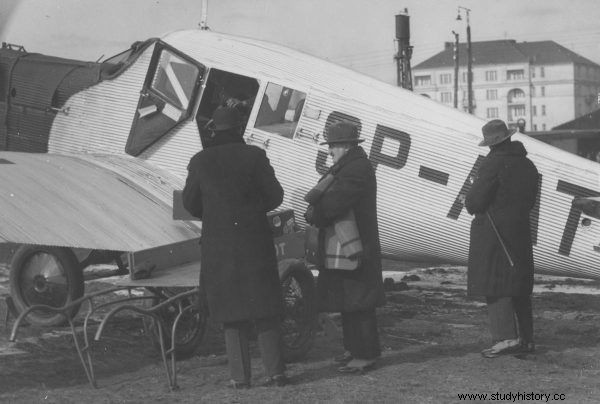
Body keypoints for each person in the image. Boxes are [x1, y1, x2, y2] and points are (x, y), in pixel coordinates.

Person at [182, 106, 288, 388]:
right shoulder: (255, 156)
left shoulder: (201, 161)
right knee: (264, 306)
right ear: (239, 129)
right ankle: (276, 373)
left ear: (214, 130)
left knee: (230, 311)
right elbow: (276, 196)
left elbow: (189, 204)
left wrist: (217, 213)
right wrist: (251, 211)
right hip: (255, 242)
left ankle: (240, 378)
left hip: (220, 245)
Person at [304, 121, 385, 373]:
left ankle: (365, 354)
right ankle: (354, 349)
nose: (330, 151)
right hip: (352, 244)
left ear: (347, 146)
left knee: (359, 302)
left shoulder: (355, 170)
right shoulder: (350, 166)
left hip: (357, 246)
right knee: (350, 301)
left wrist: (316, 212)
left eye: (334, 146)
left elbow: (333, 204)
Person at [463, 119, 539, 358]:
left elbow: (475, 202)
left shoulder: (491, 164)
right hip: (519, 232)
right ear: (508, 137)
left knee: (495, 284)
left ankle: (506, 339)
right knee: (518, 286)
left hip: (494, 233)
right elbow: (529, 202)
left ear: (490, 143)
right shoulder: (528, 165)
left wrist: (468, 199)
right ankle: (526, 339)